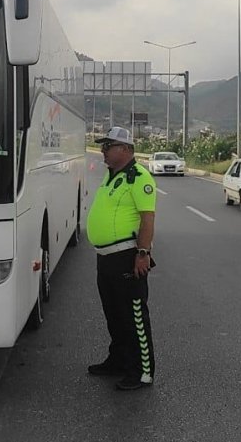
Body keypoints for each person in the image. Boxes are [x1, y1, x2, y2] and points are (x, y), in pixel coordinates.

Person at [86, 126, 157, 391]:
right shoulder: (112, 175)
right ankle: (117, 361)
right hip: (105, 258)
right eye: (103, 146)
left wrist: (143, 253)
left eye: (108, 146)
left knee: (134, 317)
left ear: (125, 150)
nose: (103, 151)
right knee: (113, 314)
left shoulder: (139, 177)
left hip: (127, 256)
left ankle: (142, 372)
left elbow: (148, 219)